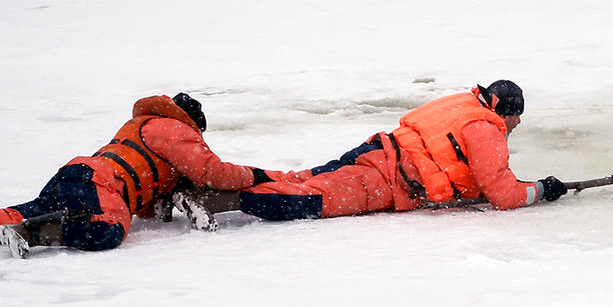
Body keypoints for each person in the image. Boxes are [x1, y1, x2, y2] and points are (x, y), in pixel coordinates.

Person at [0, 93, 284, 257]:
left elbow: (146, 201)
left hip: (77, 174)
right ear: (193, 122)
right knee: (108, 230)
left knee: (3, 218)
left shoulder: (141, 128)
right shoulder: (173, 128)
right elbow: (212, 172)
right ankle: (31, 234)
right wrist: (256, 174)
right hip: (100, 183)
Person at [172, 80, 566, 229]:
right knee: (311, 198)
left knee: (301, 177)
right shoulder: (486, 128)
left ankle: (211, 181)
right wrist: (543, 189)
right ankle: (213, 197)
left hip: (378, 149)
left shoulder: (461, 103)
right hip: (389, 180)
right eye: (516, 119)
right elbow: (503, 195)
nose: (514, 127)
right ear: (507, 112)